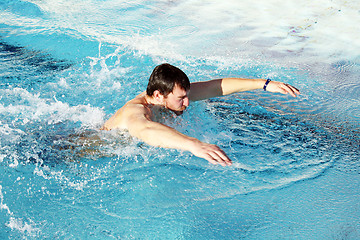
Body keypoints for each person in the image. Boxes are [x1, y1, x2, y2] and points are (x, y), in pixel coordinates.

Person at [101, 63, 300, 166]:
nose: (187, 102)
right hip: (90, 148)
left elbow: (215, 87)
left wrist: (264, 84)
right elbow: (144, 130)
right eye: (181, 98)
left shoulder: (168, 96)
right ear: (158, 95)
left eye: (187, 96)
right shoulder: (135, 111)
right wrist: (193, 144)